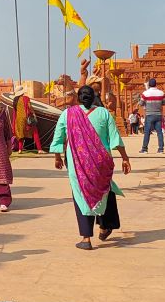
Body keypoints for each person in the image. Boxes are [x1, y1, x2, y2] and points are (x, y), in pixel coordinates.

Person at [50, 85, 132, 250]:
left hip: (77, 162)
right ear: (94, 97)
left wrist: (57, 156)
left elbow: (58, 137)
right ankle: (105, 226)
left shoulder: (68, 114)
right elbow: (115, 138)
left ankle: (86, 238)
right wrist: (125, 158)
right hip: (101, 161)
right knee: (104, 189)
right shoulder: (103, 113)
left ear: (78, 98)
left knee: (81, 195)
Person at [140, 78, 165, 154]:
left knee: (147, 132)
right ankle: (161, 149)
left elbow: (141, 103)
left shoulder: (145, 93)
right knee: (159, 132)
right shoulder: (161, 93)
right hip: (158, 114)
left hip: (149, 114)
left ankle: (144, 149)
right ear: (156, 84)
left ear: (149, 85)